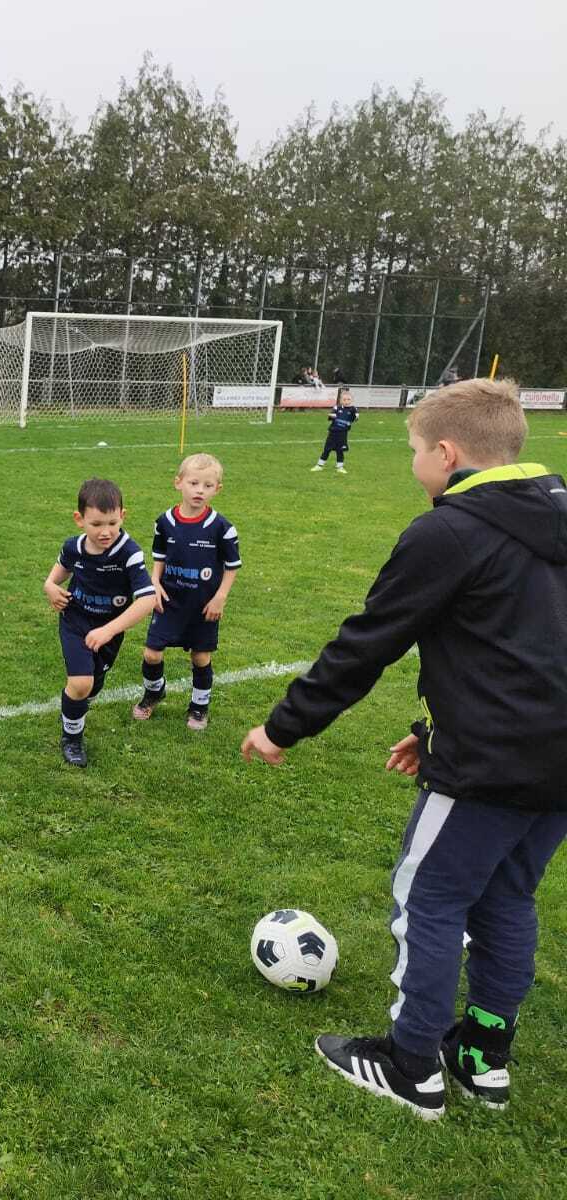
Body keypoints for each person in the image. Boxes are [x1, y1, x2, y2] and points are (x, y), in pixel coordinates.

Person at [241, 378, 567, 1120]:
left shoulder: (448, 532)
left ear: (446, 453)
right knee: (508, 897)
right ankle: (482, 1058)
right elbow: (532, 648)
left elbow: (367, 643)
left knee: (429, 899)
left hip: (491, 765)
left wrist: (284, 725)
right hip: (556, 762)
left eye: (415, 450)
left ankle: (411, 1063)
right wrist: (430, 731)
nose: (414, 463)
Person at [42, 478, 157, 768]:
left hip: (109, 629)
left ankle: (74, 707)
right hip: (75, 621)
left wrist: (109, 630)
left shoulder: (129, 553)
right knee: (81, 683)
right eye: (96, 524)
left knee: (92, 686)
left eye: (112, 523)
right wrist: (50, 587)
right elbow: (58, 573)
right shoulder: (73, 547)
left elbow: (147, 599)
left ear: (123, 516)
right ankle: (72, 738)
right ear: (79, 519)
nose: (105, 532)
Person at [131, 454, 241, 731]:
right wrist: (155, 583)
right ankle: (154, 692)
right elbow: (159, 556)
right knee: (151, 653)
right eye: (193, 483)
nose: (199, 490)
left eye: (207, 485)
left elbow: (232, 566)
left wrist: (220, 597)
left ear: (217, 489)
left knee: (200, 657)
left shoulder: (222, 528)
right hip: (169, 601)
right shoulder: (164, 522)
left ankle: (199, 706)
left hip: (204, 605)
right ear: (178, 483)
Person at [313, 387, 358, 472]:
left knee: (340, 450)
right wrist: (332, 415)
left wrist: (356, 416)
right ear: (340, 400)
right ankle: (319, 465)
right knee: (327, 449)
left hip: (343, 433)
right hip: (333, 432)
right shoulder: (337, 408)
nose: (346, 401)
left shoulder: (353, 409)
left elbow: (355, 418)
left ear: (351, 400)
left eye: (348, 399)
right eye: (344, 399)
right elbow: (331, 415)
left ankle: (340, 467)